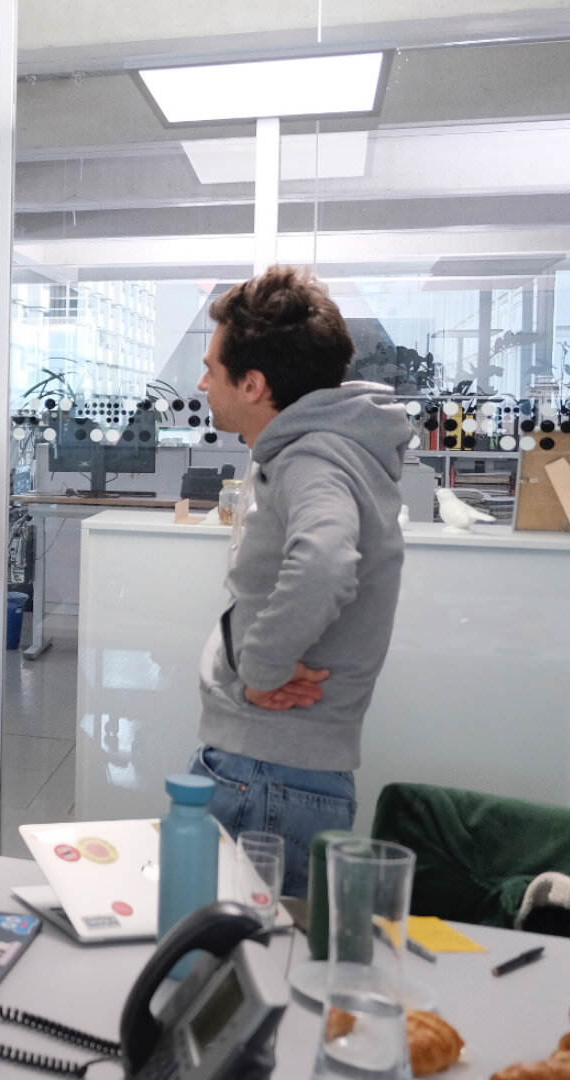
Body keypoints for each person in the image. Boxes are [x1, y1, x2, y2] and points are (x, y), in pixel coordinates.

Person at [190, 265, 413, 897]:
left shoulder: (313, 459)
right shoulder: (329, 450)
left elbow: (324, 562)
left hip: (265, 771)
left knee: (239, 963)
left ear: (253, 384)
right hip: (276, 770)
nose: (203, 382)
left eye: (213, 368)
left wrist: (260, 668)